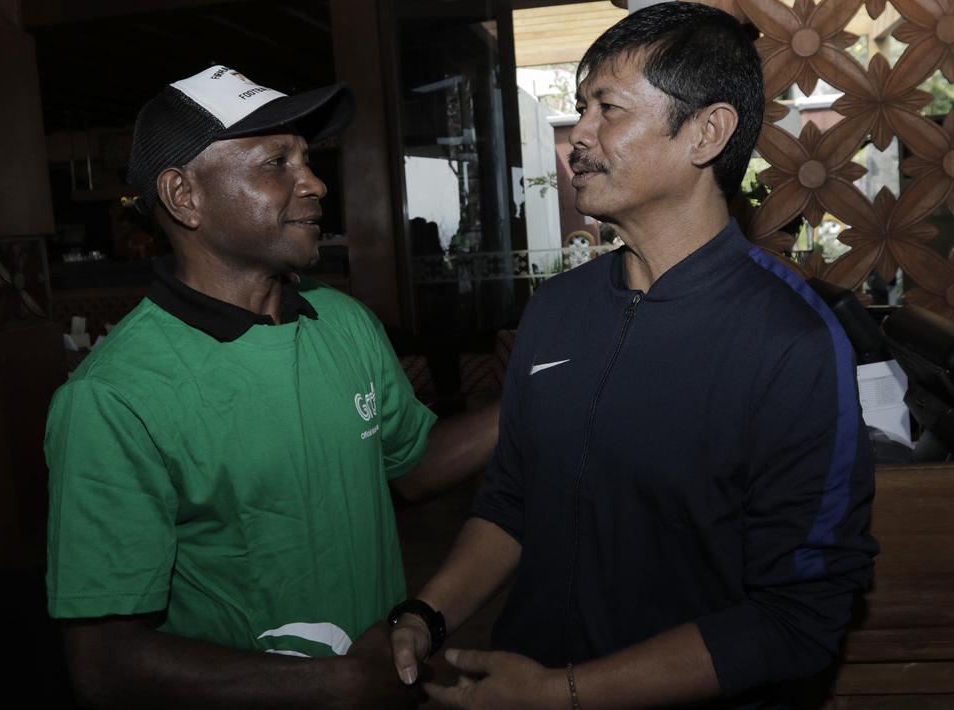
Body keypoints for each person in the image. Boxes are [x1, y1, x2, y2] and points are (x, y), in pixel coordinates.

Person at [386, 4, 878, 708]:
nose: (577, 135)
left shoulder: (787, 340)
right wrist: (426, 615)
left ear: (706, 132)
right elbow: (513, 504)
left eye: (605, 108)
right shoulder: (556, 310)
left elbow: (796, 619)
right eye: (580, 107)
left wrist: (562, 694)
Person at [44, 65, 497, 709]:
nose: (314, 184)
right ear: (184, 196)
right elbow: (104, 663)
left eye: (307, 160)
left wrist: (536, 401)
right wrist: (337, 682)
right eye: (274, 163)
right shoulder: (114, 397)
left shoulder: (343, 322)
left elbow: (411, 468)